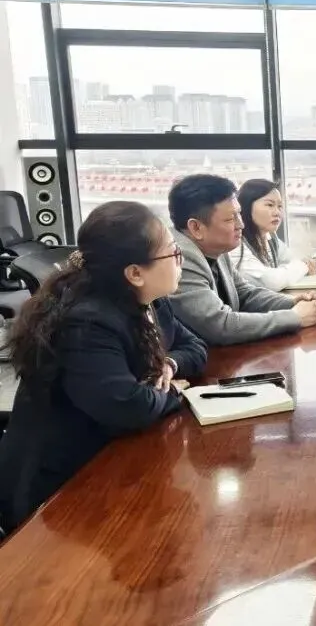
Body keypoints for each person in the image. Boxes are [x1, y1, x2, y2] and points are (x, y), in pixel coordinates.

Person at [0, 201, 207, 533]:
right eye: (173, 254)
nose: (180, 261)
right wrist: (172, 390)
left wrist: (168, 364)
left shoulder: (151, 301)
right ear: (135, 273)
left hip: (111, 455)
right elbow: (128, 406)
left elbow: (195, 348)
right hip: (58, 493)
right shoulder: (87, 322)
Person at [168, 174, 316, 346]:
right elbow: (221, 326)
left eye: (239, 215)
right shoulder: (178, 259)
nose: (241, 225)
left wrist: (292, 303)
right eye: (231, 219)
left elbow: (245, 294)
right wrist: (295, 317)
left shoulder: (215, 248)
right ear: (196, 227)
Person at [231, 179, 316, 292]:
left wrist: (300, 265)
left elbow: (291, 259)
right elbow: (273, 282)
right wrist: (304, 266)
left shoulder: (269, 237)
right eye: (270, 205)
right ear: (246, 206)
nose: (277, 212)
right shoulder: (236, 244)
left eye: (280, 206)